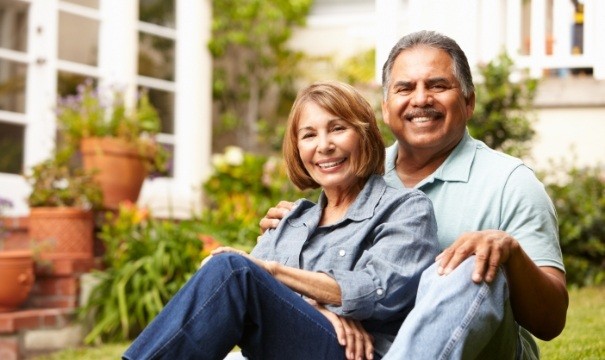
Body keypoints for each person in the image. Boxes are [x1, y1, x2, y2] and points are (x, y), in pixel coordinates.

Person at [260, 31, 568, 359]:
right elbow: (341, 283)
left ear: (468, 102)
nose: (420, 99)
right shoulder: (353, 174)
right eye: (405, 88)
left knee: (466, 263)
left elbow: (550, 322)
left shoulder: (510, 182)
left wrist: (511, 254)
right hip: (369, 350)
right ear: (386, 107)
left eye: (437, 85)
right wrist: (294, 238)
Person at [123, 81, 439, 360]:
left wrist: (275, 272)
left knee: (234, 268)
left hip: (356, 352)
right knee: (226, 267)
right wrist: (316, 309)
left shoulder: (406, 209)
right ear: (298, 148)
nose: (324, 145)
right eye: (309, 135)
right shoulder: (292, 220)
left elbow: (375, 290)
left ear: (365, 135)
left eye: (338, 128)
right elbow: (229, 290)